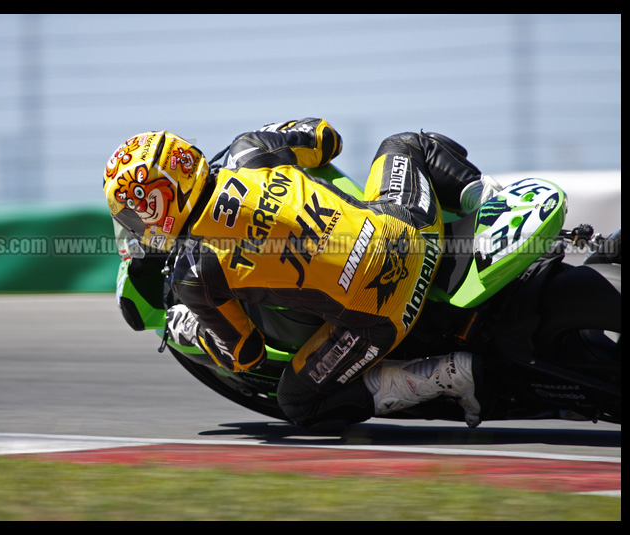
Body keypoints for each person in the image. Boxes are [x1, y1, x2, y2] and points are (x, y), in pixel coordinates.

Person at [103, 119, 500, 428]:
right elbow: (328, 139)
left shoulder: (193, 271)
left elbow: (244, 354)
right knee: (405, 144)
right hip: (411, 231)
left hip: (384, 314)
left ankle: (440, 375)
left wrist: (190, 328)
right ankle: (491, 203)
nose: (137, 224)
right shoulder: (249, 151)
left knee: (297, 402)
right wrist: (284, 131)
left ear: (160, 201)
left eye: (134, 214)